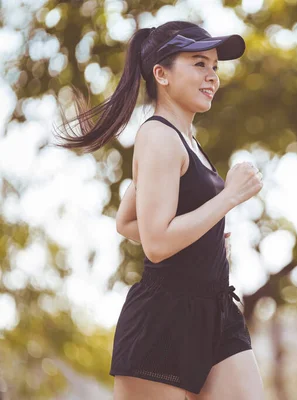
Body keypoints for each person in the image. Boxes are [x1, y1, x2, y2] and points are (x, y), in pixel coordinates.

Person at [52, 21, 265, 399]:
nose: (212, 76)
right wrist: (229, 197)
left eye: (215, 66)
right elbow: (157, 243)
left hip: (216, 314)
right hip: (164, 321)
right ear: (161, 74)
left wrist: (207, 233)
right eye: (199, 64)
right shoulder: (157, 136)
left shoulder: (187, 139)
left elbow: (128, 222)